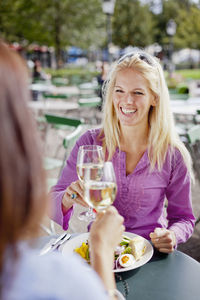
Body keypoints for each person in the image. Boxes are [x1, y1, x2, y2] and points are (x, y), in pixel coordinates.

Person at [0, 41, 125, 300]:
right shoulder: (55, 282)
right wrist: (100, 251)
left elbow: (183, 217)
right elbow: (56, 198)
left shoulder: (169, 152)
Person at [50, 49, 195, 254]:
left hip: (149, 253)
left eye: (137, 92)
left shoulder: (172, 155)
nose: (127, 101)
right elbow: (52, 200)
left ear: (154, 98)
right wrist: (66, 198)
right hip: (100, 253)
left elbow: (183, 218)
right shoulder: (90, 142)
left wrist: (172, 235)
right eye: (119, 91)